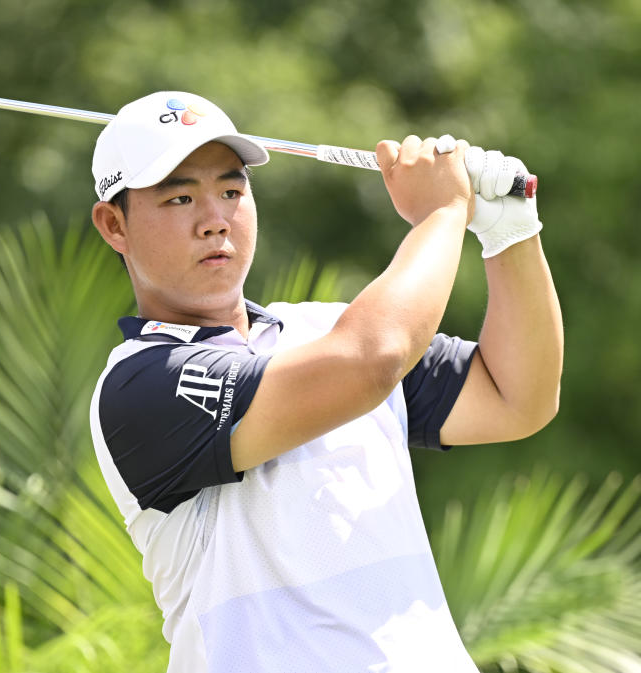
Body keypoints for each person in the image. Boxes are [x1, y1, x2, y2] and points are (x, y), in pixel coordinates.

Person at [88, 91, 563, 673]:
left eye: (232, 192)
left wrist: (511, 234)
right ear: (115, 225)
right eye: (181, 196)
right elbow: (371, 357)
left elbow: (518, 400)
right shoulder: (140, 384)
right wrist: (443, 214)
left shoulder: (320, 330)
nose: (215, 220)